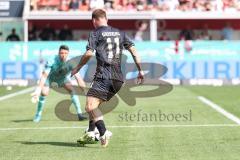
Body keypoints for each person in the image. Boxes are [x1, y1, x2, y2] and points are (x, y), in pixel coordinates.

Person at [71, 9, 144, 147]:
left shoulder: (95, 33)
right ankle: (91, 132)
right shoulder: (120, 33)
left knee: (90, 106)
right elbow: (134, 50)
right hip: (118, 79)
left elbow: (88, 54)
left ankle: (103, 133)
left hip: (104, 75)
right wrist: (140, 70)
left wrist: (78, 68)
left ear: (94, 21)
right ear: (106, 18)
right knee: (95, 105)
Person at [31, 45, 87, 122]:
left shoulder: (71, 62)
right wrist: (38, 89)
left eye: (65, 53)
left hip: (62, 79)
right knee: (44, 93)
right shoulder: (52, 60)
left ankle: (80, 114)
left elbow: (78, 78)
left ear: (68, 53)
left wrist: (86, 91)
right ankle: (38, 114)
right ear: (58, 53)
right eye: (61, 53)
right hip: (50, 79)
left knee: (72, 90)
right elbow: (44, 76)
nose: (63, 55)